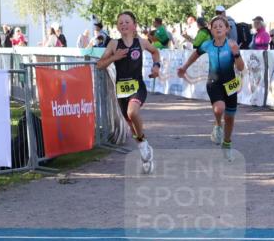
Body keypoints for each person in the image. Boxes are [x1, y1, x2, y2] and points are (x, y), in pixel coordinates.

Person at [95, 11, 161, 174]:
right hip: (121, 89)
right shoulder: (113, 45)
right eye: (120, 22)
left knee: (133, 112)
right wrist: (114, 58)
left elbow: (155, 52)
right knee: (131, 124)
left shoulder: (141, 42)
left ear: (134, 25)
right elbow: (99, 64)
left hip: (137, 86)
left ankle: (144, 146)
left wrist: (156, 67)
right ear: (117, 26)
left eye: (127, 22)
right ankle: (144, 149)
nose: (123, 24)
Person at [176, 15, 245, 161]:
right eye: (215, 26)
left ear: (227, 29)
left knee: (230, 117)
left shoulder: (232, 44)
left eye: (221, 26)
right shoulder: (207, 44)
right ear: (211, 30)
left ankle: (226, 143)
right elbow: (195, 54)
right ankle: (217, 124)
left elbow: (241, 67)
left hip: (230, 84)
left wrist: (237, 54)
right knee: (219, 108)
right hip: (213, 82)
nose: (218, 28)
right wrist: (184, 67)